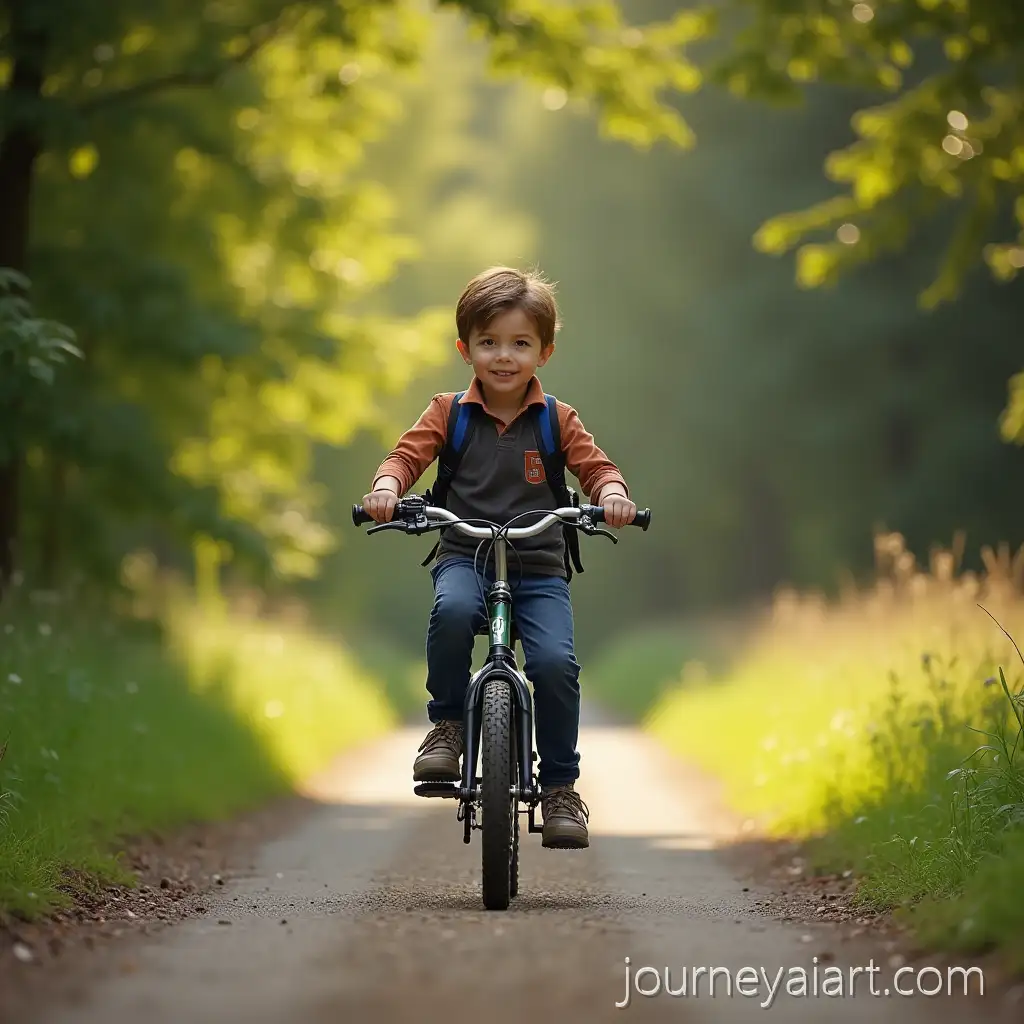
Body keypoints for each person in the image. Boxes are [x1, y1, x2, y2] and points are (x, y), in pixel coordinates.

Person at [361, 266, 636, 849]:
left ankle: (561, 787)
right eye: (488, 342)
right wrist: (388, 488)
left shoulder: (557, 419)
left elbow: (597, 468)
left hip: (538, 568)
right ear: (465, 348)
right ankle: (449, 725)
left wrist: (610, 496)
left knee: (557, 665)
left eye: (520, 344)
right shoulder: (449, 412)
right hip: (466, 554)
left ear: (545, 351)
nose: (503, 356)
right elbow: (405, 457)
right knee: (453, 612)